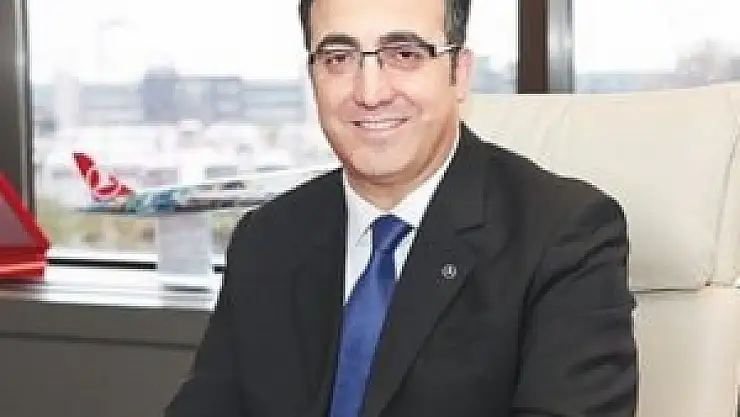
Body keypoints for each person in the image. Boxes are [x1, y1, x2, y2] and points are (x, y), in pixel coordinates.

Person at [165, 0, 638, 415]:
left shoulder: (563, 234)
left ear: (459, 73)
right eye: (338, 58)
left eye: (405, 54)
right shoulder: (268, 238)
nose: (370, 93)